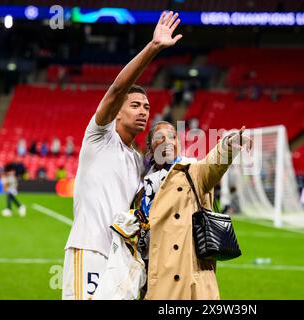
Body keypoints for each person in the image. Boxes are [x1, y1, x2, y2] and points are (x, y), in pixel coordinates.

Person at [62, 11, 183, 300]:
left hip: (122, 263)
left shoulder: (138, 162)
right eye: (135, 105)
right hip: (90, 249)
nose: (143, 111)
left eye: (147, 107)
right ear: (117, 111)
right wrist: (153, 48)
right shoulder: (99, 137)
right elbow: (118, 88)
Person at [130, 121, 251, 300]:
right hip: (152, 275)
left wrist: (228, 147)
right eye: (159, 138)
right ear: (150, 146)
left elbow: (212, 165)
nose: (167, 142)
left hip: (187, 277)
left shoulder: (191, 171)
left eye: (172, 137)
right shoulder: (143, 188)